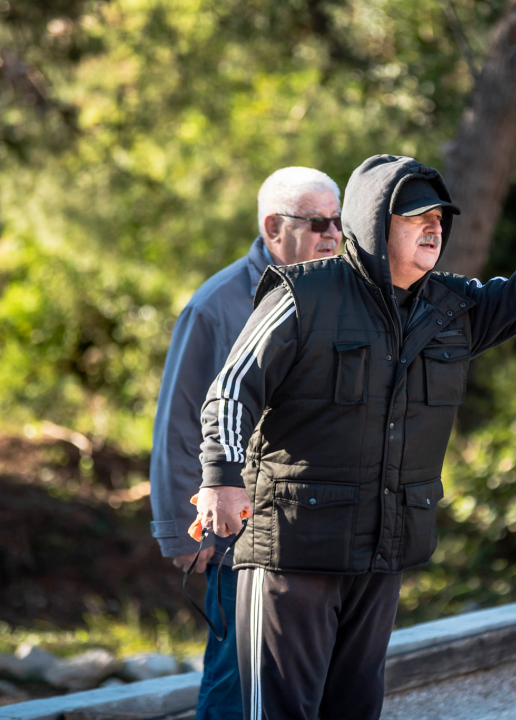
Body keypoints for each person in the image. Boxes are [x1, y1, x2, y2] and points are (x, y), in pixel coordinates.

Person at [195, 154, 516, 720]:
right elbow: (230, 390)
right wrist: (221, 480)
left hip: (380, 554)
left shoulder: (452, 307)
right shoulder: (303, 294)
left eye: (440, 218)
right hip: (292, 552)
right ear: (375, 224)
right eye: (416, 216)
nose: (433, 227)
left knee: (353, 709)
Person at [149, 166, 344, 720]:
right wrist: (180, 531)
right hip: (239, 534)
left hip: (313, 528)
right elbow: (180, 424)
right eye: (317, 223)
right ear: (272, 227)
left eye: (338, 221)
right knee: (237, 679)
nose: (332, 233)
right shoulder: (215, 307)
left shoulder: (340, 289)